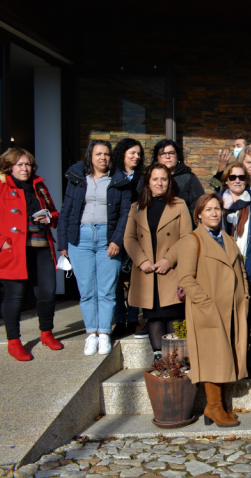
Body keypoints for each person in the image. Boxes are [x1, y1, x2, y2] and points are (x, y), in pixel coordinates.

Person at [0, 148, 62, 361]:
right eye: (20, 164)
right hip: (13, 251)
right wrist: (0, 242)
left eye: (28, 164)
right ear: (9, 167)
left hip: (41, 249)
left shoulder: (39, 187)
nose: (25, 168)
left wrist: (49, 218)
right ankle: (14, 342)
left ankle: (46, 334)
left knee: (47, 294)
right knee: (14, 297)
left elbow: (55, 214)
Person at [178, 193, 250, 428]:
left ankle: (220, 406)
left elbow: (241, 270)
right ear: (198, 214)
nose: (214, 213)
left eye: (217, 208)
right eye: (208, 209)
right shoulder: (192, 240)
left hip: (232, 308)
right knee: (213, 358)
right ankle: (214, 407)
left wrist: (245, 296)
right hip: (208, 309)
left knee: (226, 355)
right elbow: (186, 279)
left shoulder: (228, 239)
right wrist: (207, 304)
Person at [59, 140, 132, 356]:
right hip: (80, 238)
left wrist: (116, 240)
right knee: (87, 290)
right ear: (90, 155)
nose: (103, 158)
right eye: (99, 153)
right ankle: (91, 334)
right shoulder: (77, 178)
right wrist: (63, 242)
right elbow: (66, 210)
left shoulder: (120, 180)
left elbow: (125, 214)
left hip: (106, 238)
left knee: (107, 290)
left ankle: (104, 333)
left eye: (107, 154)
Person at [123, 163, 192, 361]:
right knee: (153, 316)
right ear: (148, 183)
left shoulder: (179, 205)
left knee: (174, 315)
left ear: (169, 182)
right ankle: (159, 360)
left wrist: (169, 260)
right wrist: (141, 261)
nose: (159, 183)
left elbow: (187, 236)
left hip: (171, 270)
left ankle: (177, 361)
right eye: (155, 179)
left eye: (164, 179)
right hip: (147, 272)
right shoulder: (136, 207)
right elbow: (128, 238)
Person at [111, 138, 146, 339]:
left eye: (138, 153)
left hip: (136, 234)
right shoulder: (111, 176)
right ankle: (119, 320)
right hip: (115, 233)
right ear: (122, 153)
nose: (136, 156)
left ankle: (133, 319)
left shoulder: (142, 177)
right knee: (115, 280)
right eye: (132, 152)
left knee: (135, 279)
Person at [219, 162, 251, 285]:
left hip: (249, 266)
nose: (237, 181)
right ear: (226, 181)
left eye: (241, 177)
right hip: (222, 265)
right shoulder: (216, 203)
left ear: (246, 181)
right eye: (233, 177)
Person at [144, 139, 204, 219]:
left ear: (177, 155)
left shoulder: (189, 178)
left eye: (171, 153)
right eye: (163, 153)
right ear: (157, 157)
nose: (167, 157)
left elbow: (198, 205)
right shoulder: (147, 176)